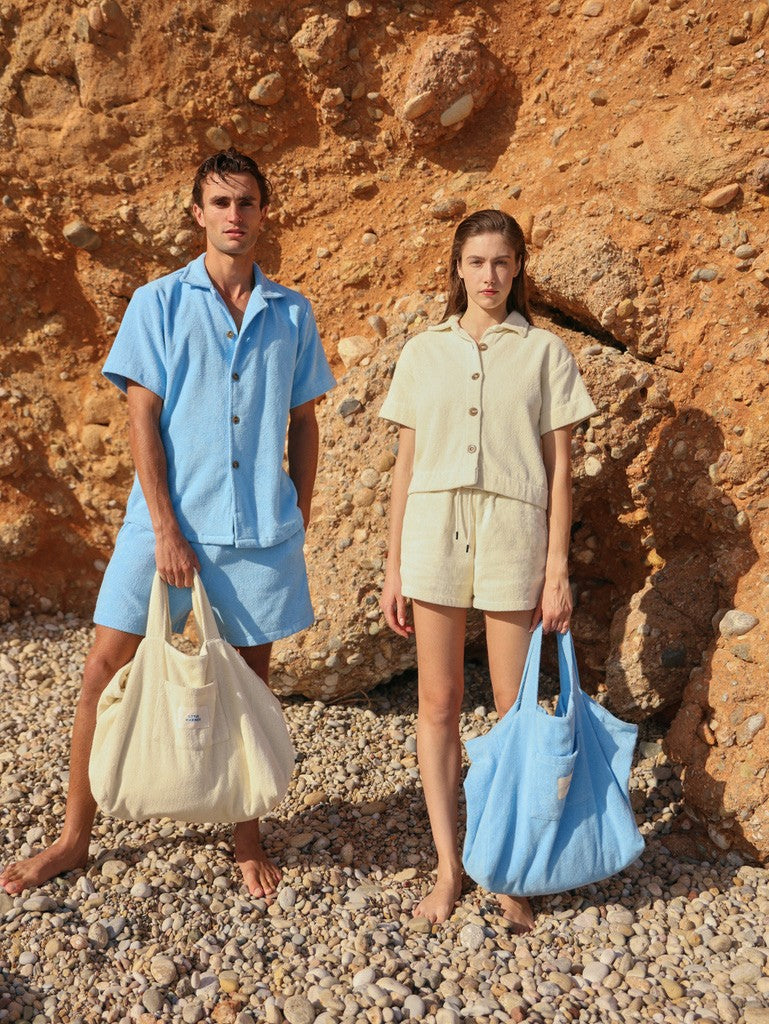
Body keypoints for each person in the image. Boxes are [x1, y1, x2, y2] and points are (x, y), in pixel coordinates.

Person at [1, 148, 335, 898]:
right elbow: (141, 417)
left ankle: (244, 839)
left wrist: (298, 513)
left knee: (249, 683)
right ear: (197, 214)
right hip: (163, 527)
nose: (234, 216)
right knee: (102, 671)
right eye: (220, 203)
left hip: (257, 534)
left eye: (246, 202)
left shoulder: (291, 312)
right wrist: (166, 528)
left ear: (263, 212)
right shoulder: (157, 302)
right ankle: (73, 839)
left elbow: (304, 422)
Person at [379, 209, 596, 930]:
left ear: (518, 269)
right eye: (476, 262)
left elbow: (560, 471)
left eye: (502, 262)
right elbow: (404, 466)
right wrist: (392, 565)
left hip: (513, 531)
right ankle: (448, 868)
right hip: (433, 530)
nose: (489, 276)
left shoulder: (545, 354)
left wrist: (555, 569)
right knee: (437, 704)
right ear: (457, 268)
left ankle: (505, 866)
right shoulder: (422, 351)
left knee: (511, 714)